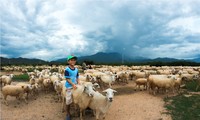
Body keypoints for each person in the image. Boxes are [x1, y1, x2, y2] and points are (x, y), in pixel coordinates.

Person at [64, 55, 80, 120]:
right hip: (69, 86)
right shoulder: (67, 69)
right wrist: (73, 84)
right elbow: (67, 79)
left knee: (78, 97)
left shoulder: (76, 69)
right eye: (71, 60)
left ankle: (79, 110)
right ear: (68, 61)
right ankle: (68, 113)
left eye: (74, 60)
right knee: (68, 100)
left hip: (75, 86)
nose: (73, 61)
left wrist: (78, 82)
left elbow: (77, 77)